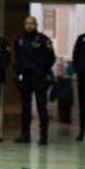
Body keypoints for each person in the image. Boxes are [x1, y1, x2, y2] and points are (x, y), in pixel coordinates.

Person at [15, 16, 55, 145]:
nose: (29, 26)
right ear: (24, 25)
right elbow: (18, 58)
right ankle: (25, 135)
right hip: (26, 78)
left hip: (40, 77)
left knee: (41, 107)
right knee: (25, 108)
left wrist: (42, 70)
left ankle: (43, 136)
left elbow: (51, 58)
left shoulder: (43, 40)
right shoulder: (20, 39)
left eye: (32, 23)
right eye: (27, 23)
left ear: (36, 25)